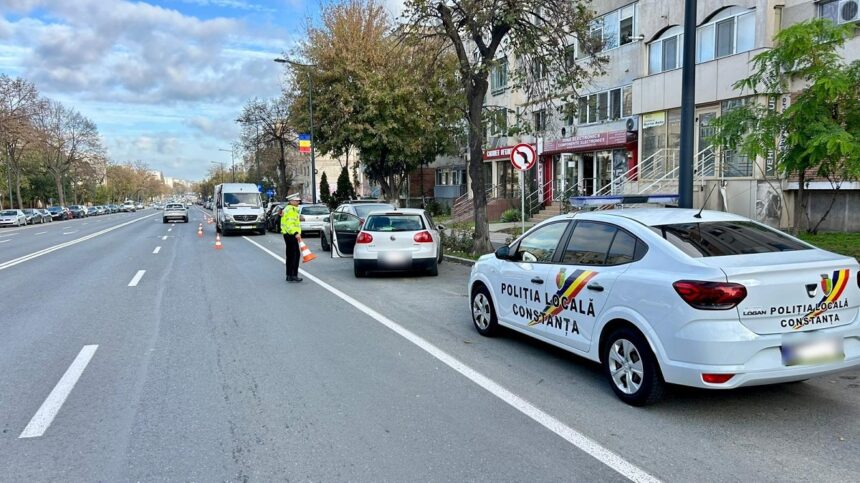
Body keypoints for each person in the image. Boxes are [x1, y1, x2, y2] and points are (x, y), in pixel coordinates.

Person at [280, 194, 304, 282]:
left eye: (298, 201)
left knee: (290, 255)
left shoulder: (291, 209)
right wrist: (296, 233)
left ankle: (289, 275)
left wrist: (300, 218)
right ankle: (293, 275)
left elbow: (292, 222)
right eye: (297, 201)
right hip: (291, 234)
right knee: (295, 255)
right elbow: (290, 224)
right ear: (291, 201)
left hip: (287, 234)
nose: (298, 202)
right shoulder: (290, 210)